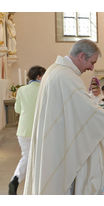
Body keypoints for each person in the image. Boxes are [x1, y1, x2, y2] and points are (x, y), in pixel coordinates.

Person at [23, 39, 104, 195]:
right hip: (58, 145)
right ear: (81, 56)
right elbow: (88, 113)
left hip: (55, 140)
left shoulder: (55, 71)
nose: (91, 68)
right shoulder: (66, 76)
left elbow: (80, 110)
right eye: (91, 62)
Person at [8, 66, 46, 195]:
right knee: (38, 158)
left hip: (23, 130)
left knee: (28, 157)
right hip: (40, 129)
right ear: (39, 76)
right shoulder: (44, 89)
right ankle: (25, 183)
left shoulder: (22, 90)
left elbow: (18, 110)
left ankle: (17, 181)